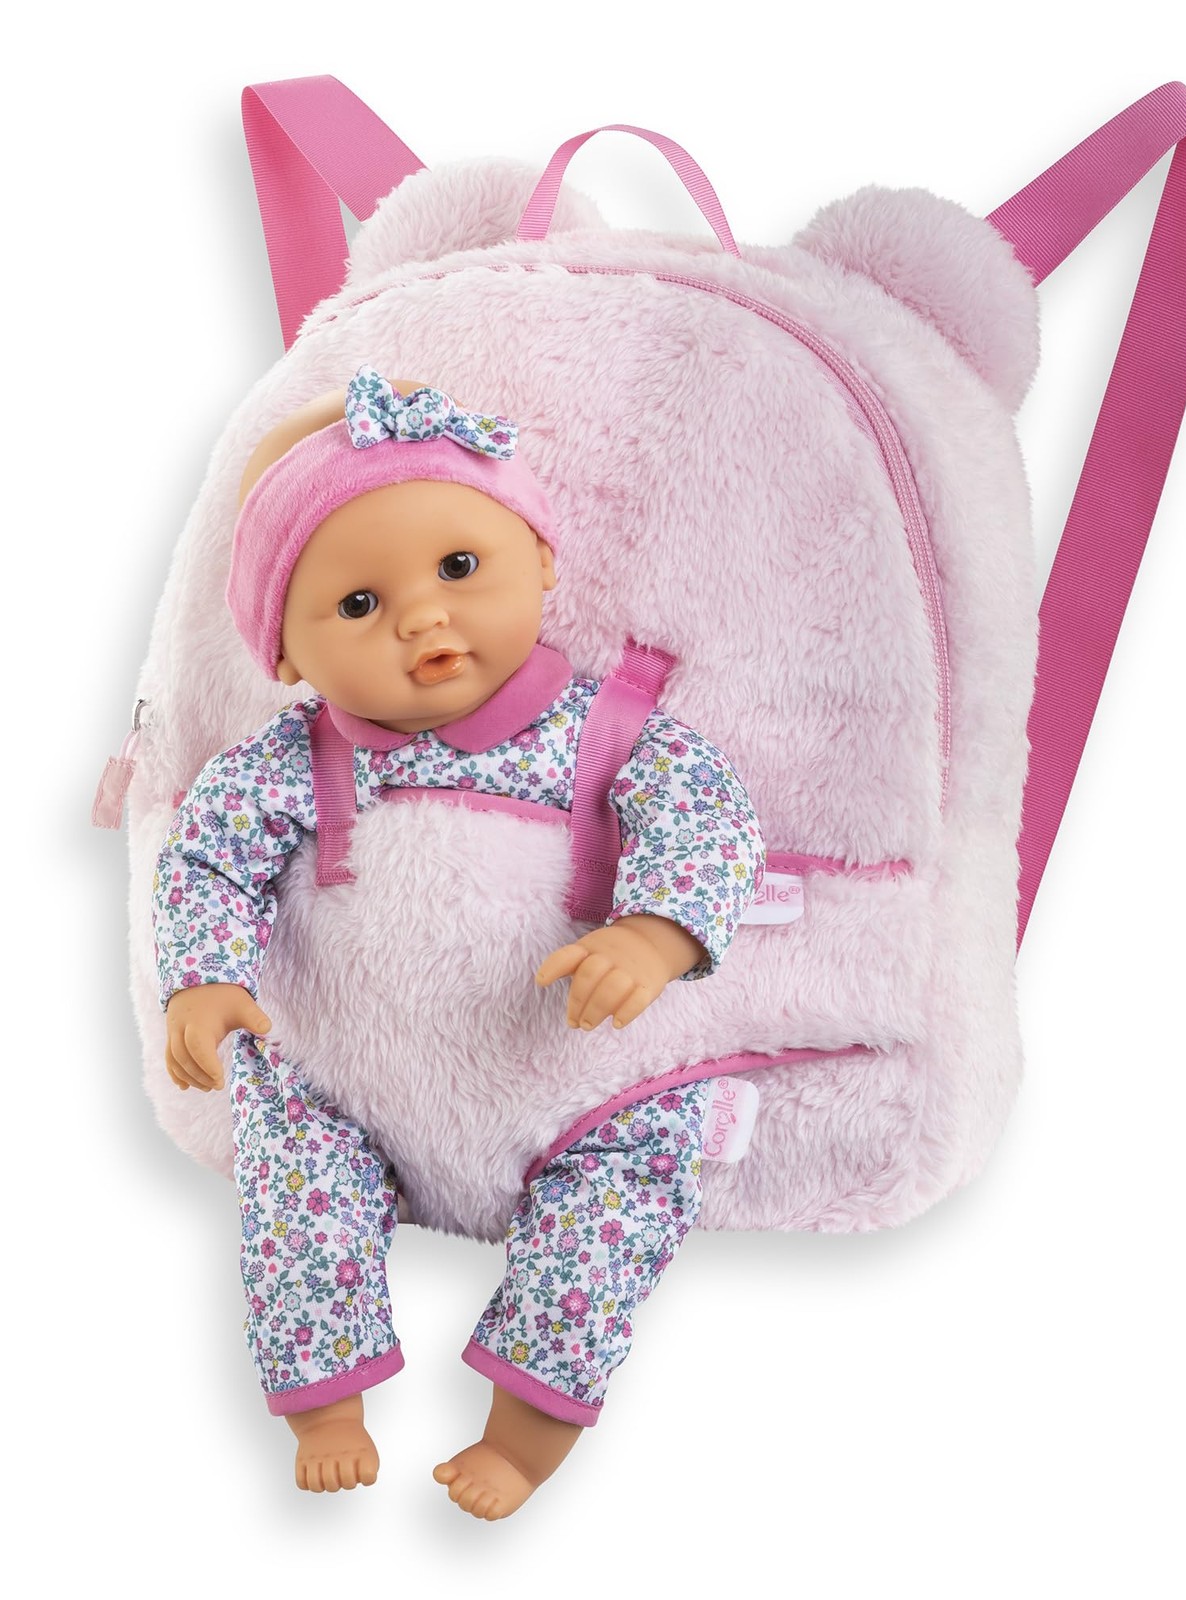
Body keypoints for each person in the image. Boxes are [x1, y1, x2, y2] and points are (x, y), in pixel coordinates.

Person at [152, 368, 764, 1518]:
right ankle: (325, 1406)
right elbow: (208, 859)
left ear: (539, 559)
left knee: (614, 1215)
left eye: (459, 567)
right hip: (359, 1082)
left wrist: (656, 931)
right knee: (291, 1170)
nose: (423, 618)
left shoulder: (611, 728)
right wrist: (203, 979)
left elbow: (708, 820)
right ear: (284, 658)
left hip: (574, 1081)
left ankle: (524, 1437)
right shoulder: (289, 760)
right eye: (358, 604)